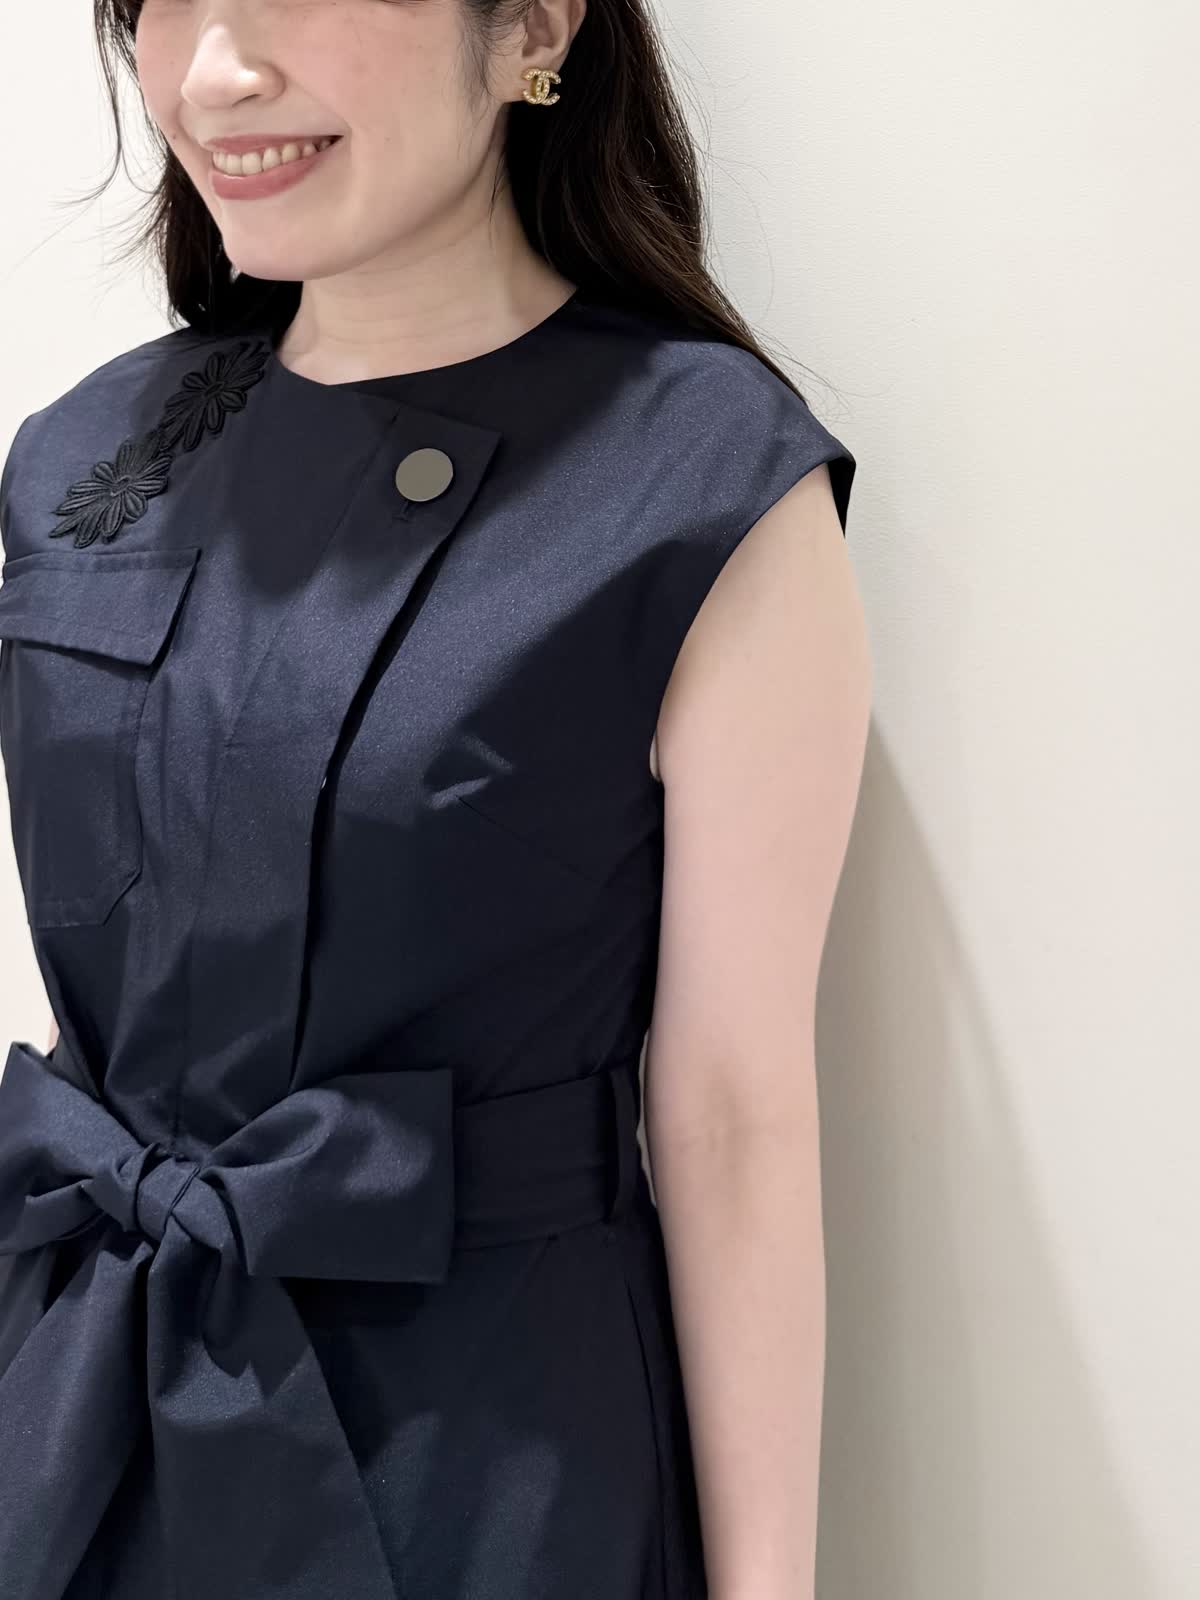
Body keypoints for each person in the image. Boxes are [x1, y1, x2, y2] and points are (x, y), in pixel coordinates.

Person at [0, 0, 871, 1596]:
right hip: (80, 1425)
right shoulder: (81, 457)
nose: (213, 71)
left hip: (484, 1464)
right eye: (161, 1)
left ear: (531, 22)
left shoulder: (701, 483)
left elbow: (734, 1114)